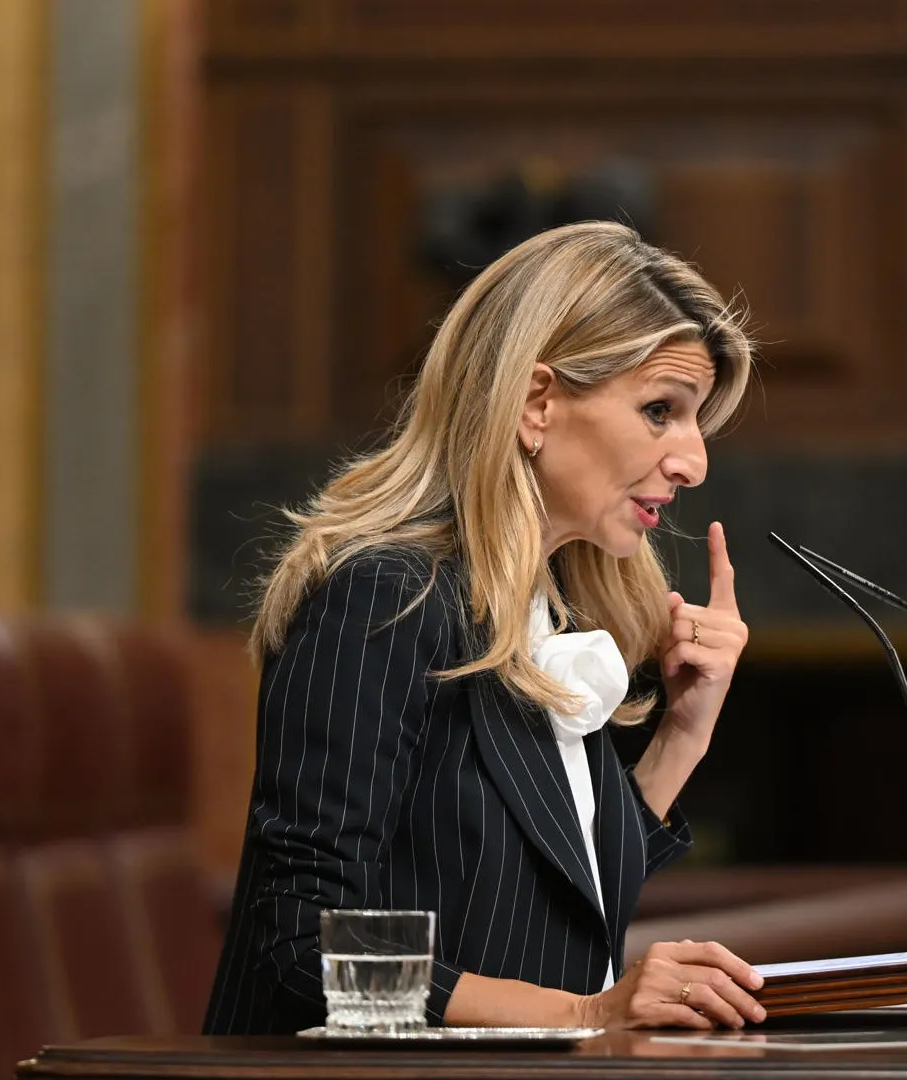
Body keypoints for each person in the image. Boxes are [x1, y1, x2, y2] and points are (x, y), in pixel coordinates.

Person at [205, 221, 766, 1035]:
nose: (693, 461)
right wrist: (586, 1012)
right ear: (537, 403)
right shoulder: (383, 598)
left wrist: (683, 736)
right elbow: (303, 947)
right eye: (660, 411)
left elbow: (554, 913)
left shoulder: (546, 611)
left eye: (696, 423)